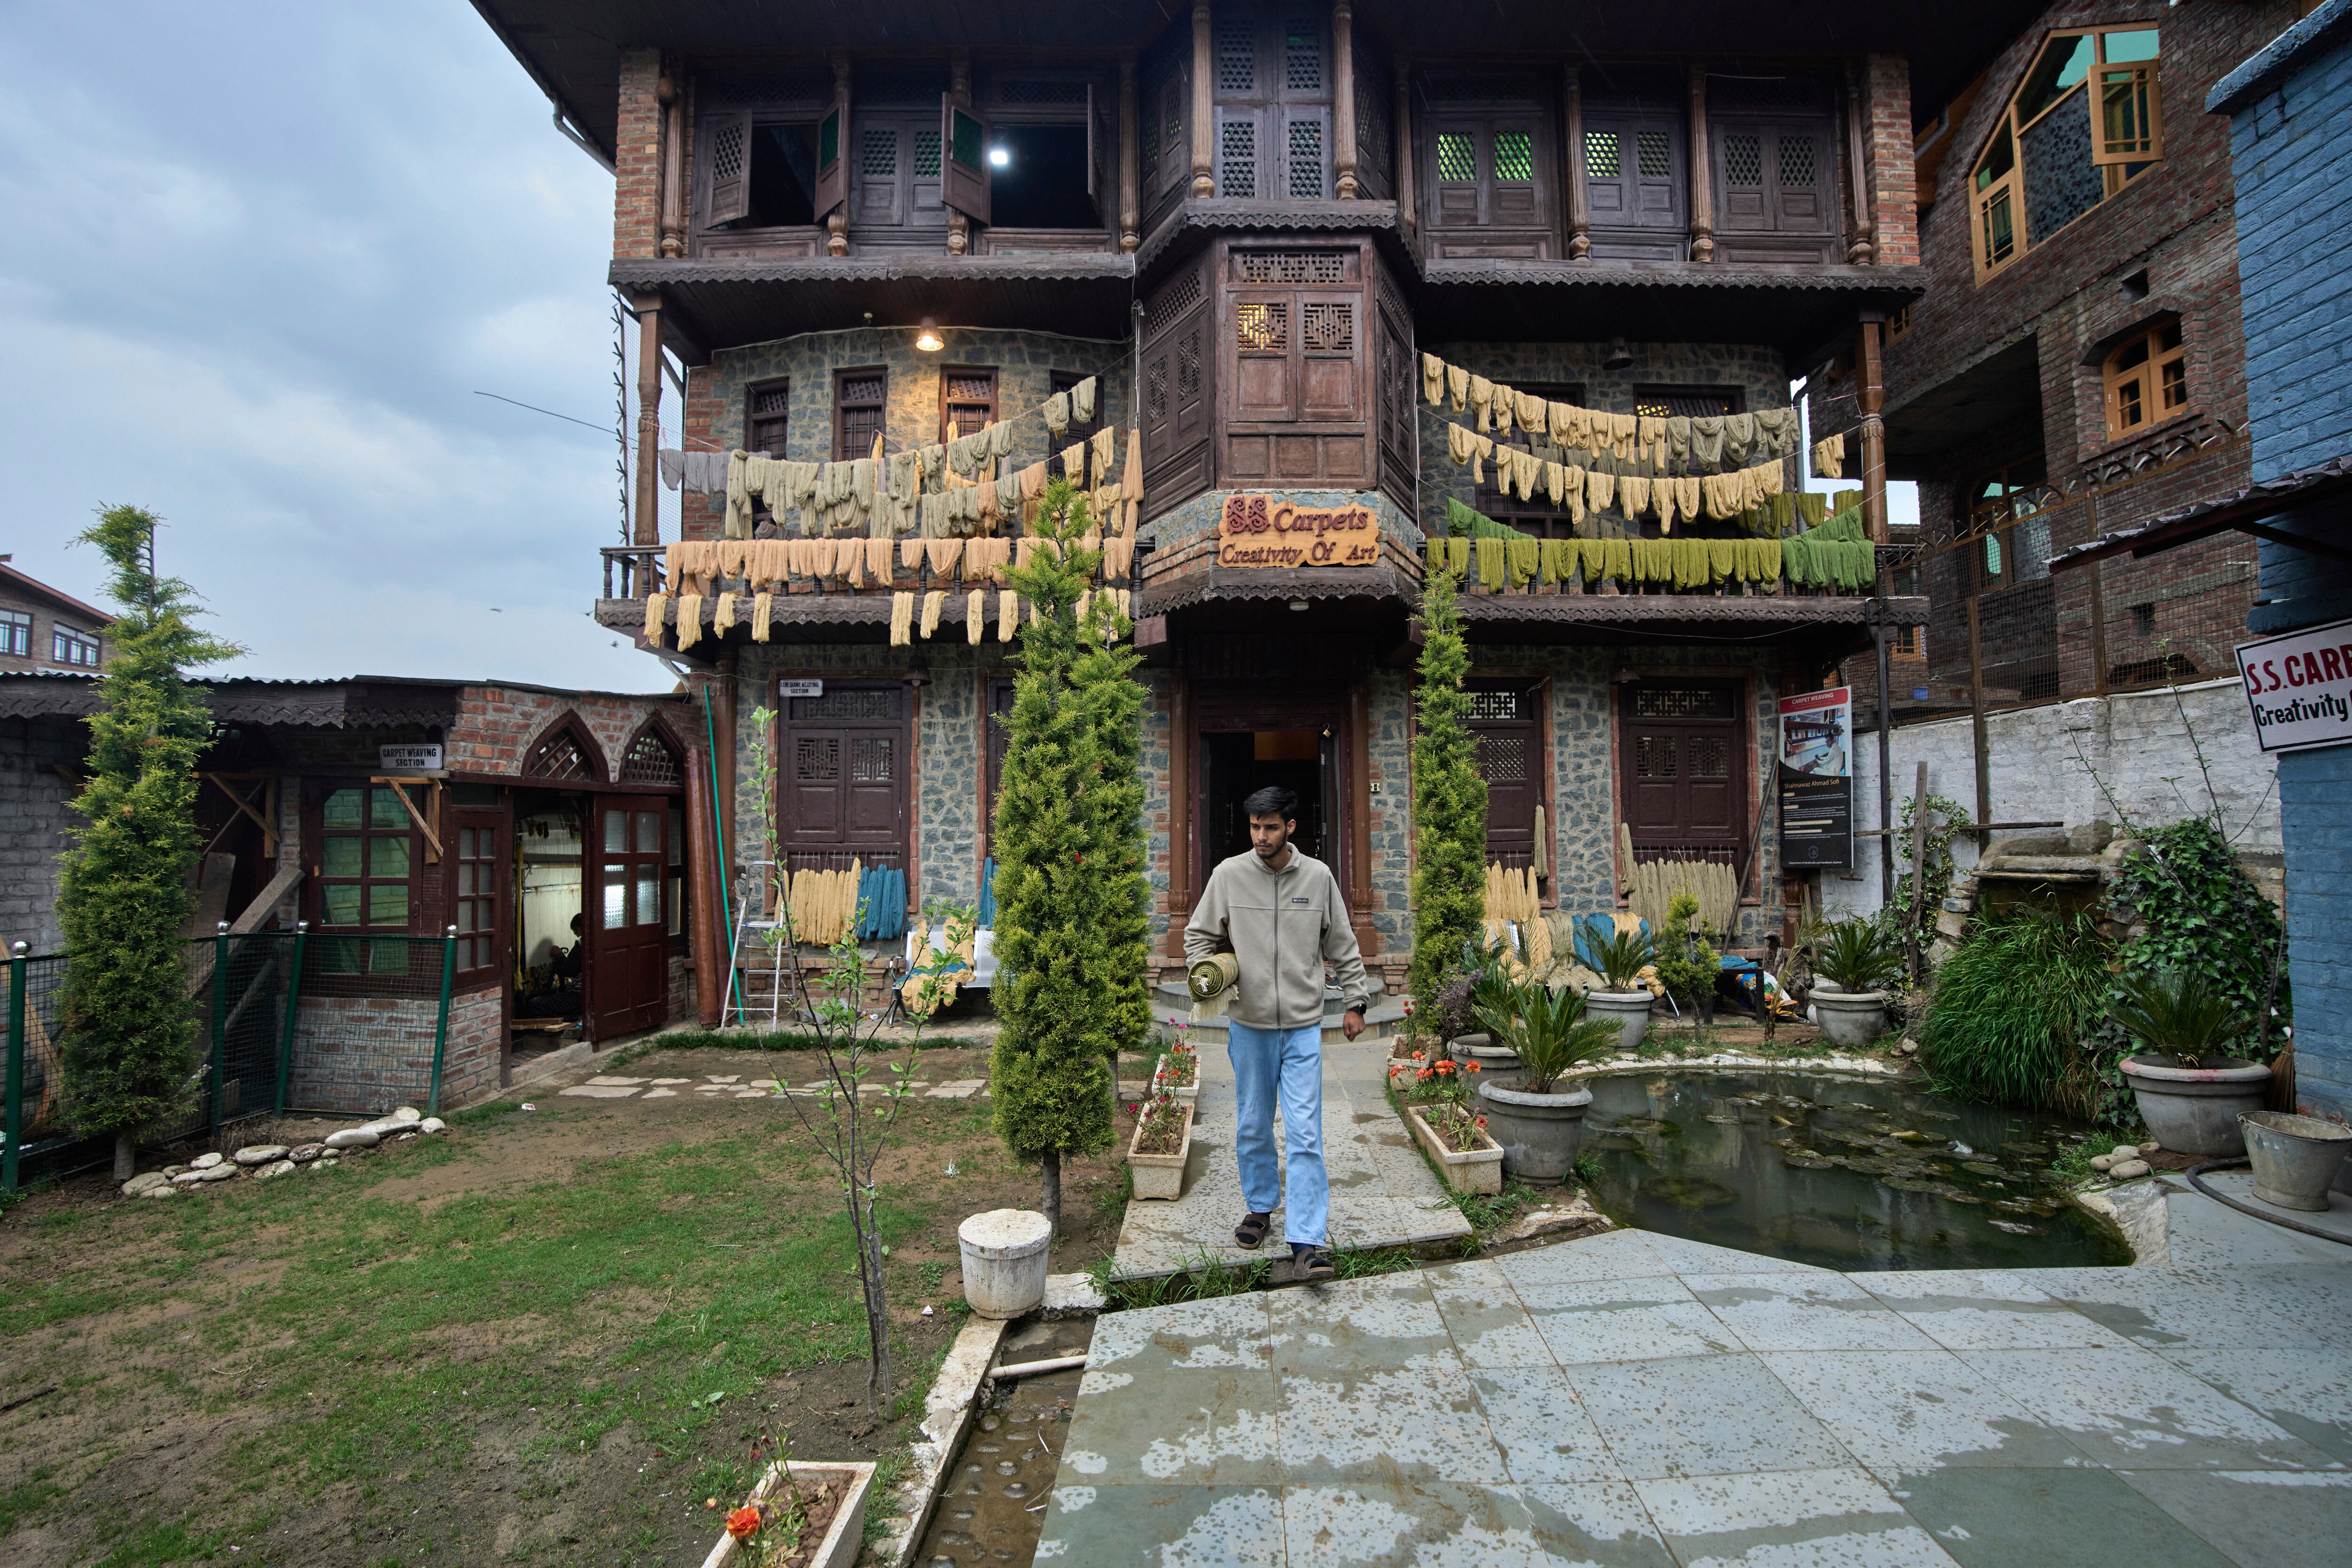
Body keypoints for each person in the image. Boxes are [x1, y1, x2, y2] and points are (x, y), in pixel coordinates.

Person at [1183, 784, 1370, 1282]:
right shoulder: (1228, 875)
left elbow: (1342, 941)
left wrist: (1354, 1001)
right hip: (1249, 1025)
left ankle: (1307, 1242)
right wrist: (1211, 974)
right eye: (1254, 827)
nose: (1260, 836)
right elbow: (1197, 934)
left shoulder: (1317, 876)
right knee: (1251, 1123)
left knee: (1306, 1134)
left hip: (1304, 1026)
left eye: (1270, 827)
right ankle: (1260, 1208)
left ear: (1290, 827)